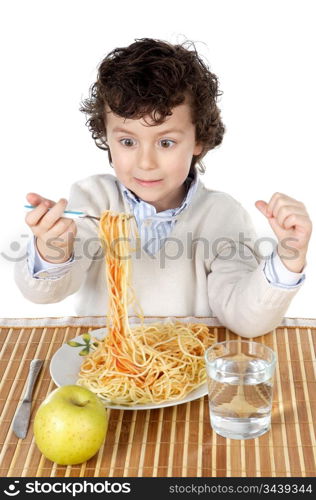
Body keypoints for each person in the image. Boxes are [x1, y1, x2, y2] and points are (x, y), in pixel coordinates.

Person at [14, 38, 312, 337]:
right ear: (107, 136)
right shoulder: (93, 200)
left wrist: (289, 258)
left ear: (198, 140)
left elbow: (246, 319)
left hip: (186, 370)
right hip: (106, 368)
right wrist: (53, 249)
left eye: (166, 142)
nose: (146, 162)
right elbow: (45, 293)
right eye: (128, 141)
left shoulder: (221, 215)